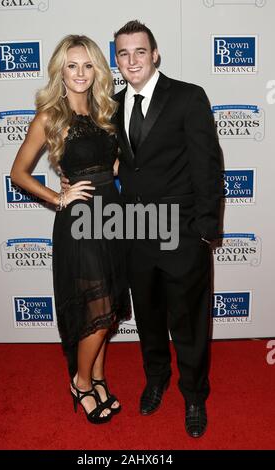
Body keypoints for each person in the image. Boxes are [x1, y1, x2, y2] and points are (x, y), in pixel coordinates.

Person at [62, 21, 222, 437]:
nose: (131, 60)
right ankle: (156, 381)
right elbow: (98, 161)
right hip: (131, 232)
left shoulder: (188, 97)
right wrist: (66, 183)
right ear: (116, 61)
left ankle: (193, 395)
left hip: (181, 232)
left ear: (155, 55)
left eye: (139, 52)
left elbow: (208, 165)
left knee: (187, 321)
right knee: (149, 319)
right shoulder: (108, 106)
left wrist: (205, 230)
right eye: (123, 54)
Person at [10, 35, 131, 425]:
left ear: (97, 69)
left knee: (109, 306)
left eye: (87, 65)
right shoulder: (50, 117)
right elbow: (18, 173)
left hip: (112, 216)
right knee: (97, 307)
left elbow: (114, 167)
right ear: (61, 71)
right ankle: (80, 383)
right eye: (72, 65)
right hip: (80, 222)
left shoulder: (106, 112)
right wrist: (58, 198)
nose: (80, 73)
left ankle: (98, 377)